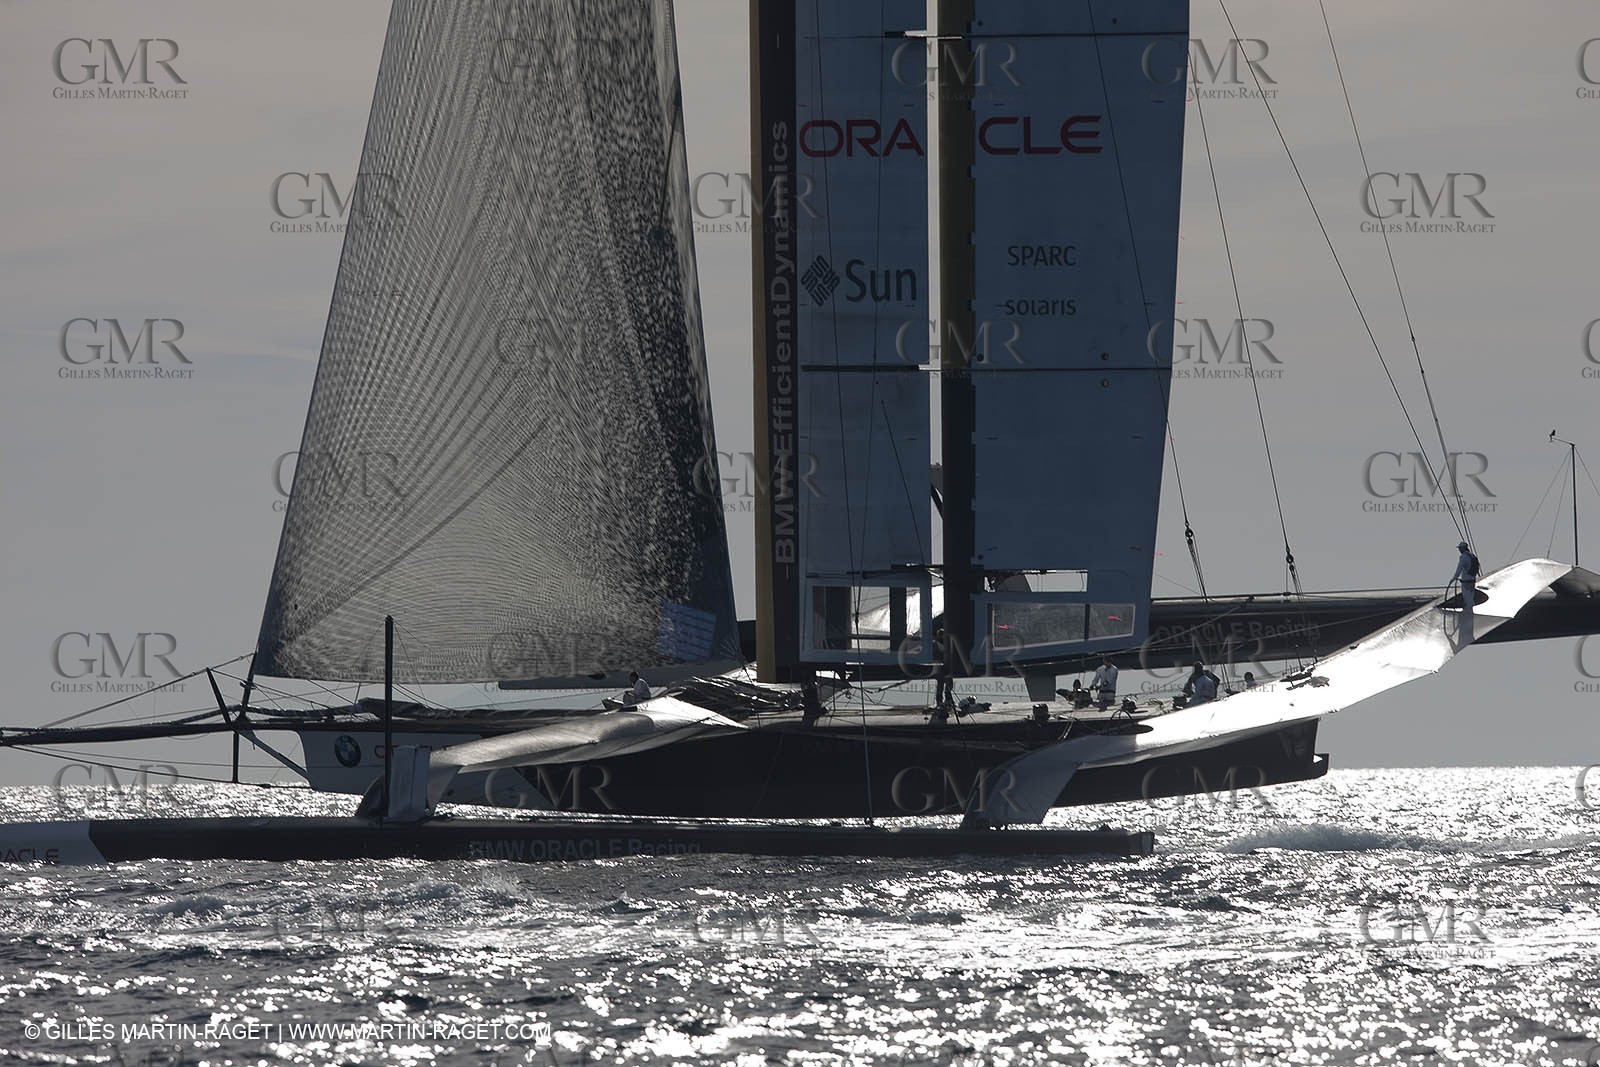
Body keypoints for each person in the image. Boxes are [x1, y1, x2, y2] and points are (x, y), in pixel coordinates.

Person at [933, 627, 954, 709]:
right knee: (940, 685)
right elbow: (935, 656)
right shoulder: (935, 644)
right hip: (939, 667)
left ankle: (948, 700)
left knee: (949, 684)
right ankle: (939, 701)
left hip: (948, 667)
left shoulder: (948, 644)